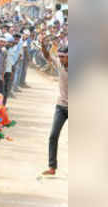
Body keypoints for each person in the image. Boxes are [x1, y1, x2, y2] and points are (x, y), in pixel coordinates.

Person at [40, 43, 68, 176]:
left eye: (63, 57)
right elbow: (47, 56)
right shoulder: (59, 64)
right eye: (60, 56)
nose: (61, 59)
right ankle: (52, 167)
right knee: (53, 136)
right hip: (61, 106)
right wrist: (42, 46)